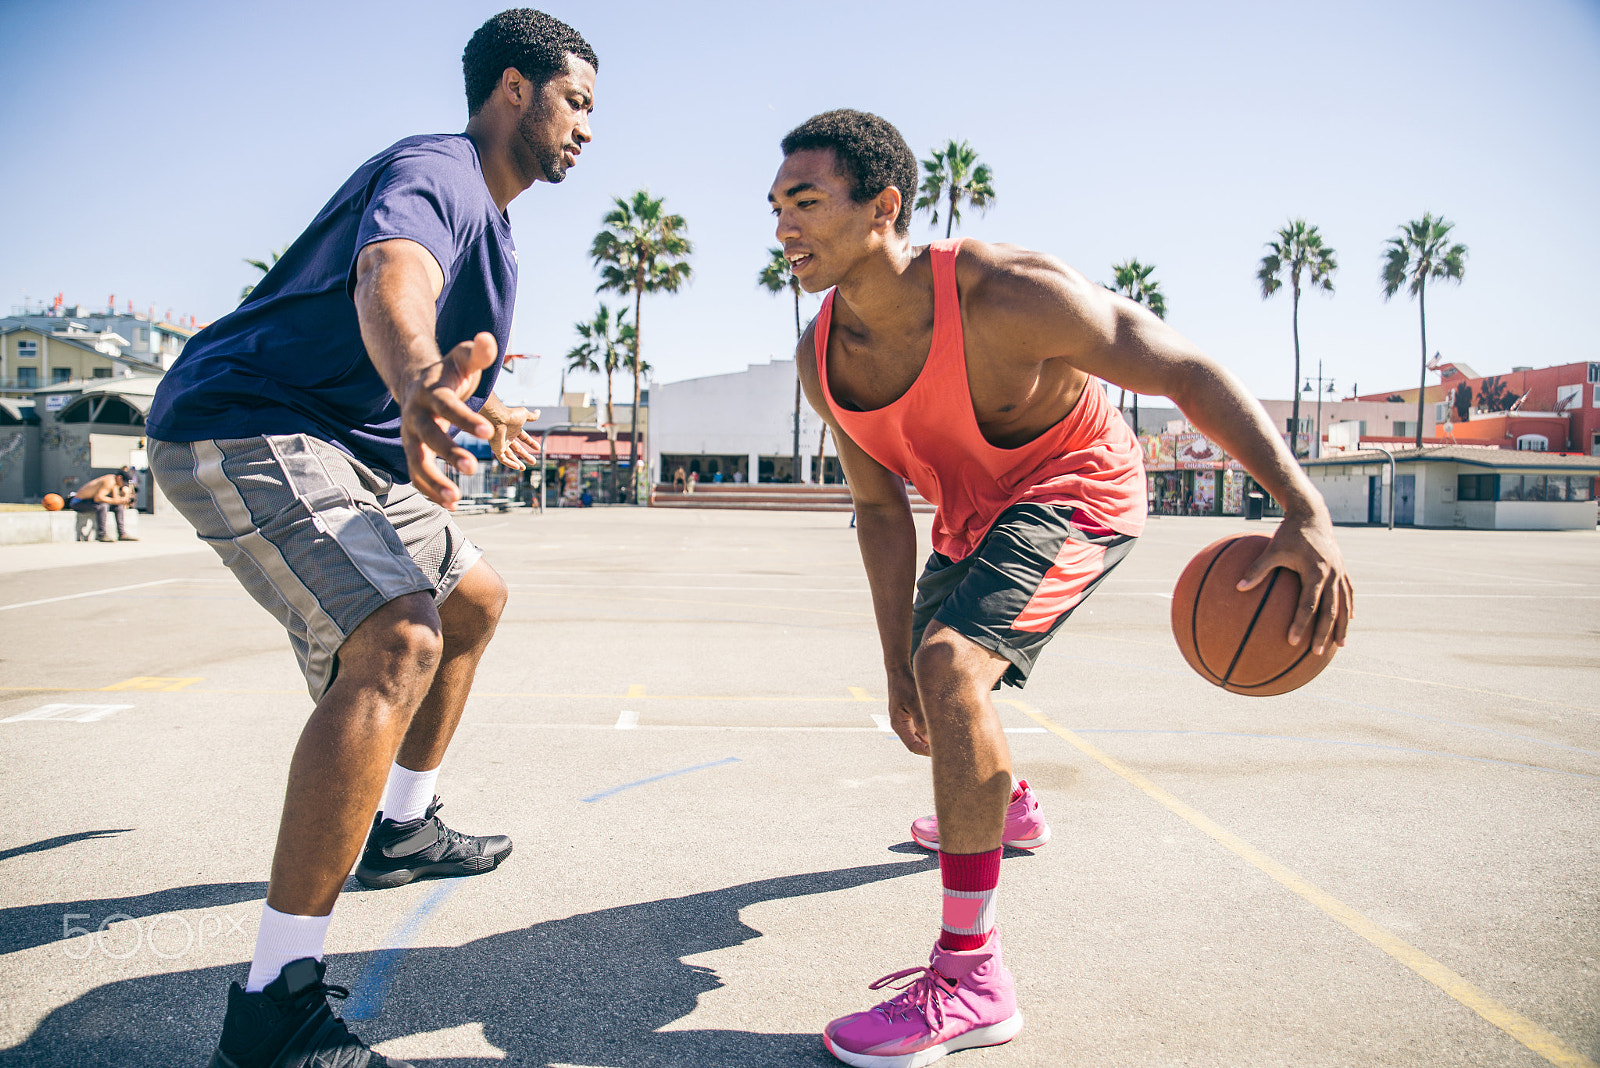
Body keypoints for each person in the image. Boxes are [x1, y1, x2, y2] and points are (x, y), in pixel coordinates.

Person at [768, 109, 1353, 1068]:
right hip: (970, 511)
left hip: (1076, 487)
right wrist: (887, 662)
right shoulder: (822, 358)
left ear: (884, 208)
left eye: (805, 203)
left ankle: (971, 977)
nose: (784, 227)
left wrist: (1304, 508)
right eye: (777, 207)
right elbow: (879, 513)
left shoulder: (1007, 293)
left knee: (953, 669)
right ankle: (1010, 803)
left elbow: (1182, 368)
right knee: (931, 691)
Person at [144, 11, 596, 1067]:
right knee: (397, 637)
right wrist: (413, 382)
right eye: (576, 101)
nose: (586, 127)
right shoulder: (437, 170)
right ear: (516, 91)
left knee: (472, 599)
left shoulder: (498, 227)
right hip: (241, 421)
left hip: (340, 450)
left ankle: (403, 827)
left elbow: (434, 339)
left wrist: (433, 434)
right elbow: (392, 274)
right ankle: (273, 1007)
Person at [67, 471, 137, 542]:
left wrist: (124, 499)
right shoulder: (109, 481)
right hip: (78, 502)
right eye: (123, 483)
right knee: (103, 506)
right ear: (119, 477)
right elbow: (98, 498)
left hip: (90, 501)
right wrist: (117, 501)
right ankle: (101, 535)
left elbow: (115, 499)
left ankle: (122, 534)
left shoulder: (115, 482)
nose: (122, 486)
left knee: (118, 507)